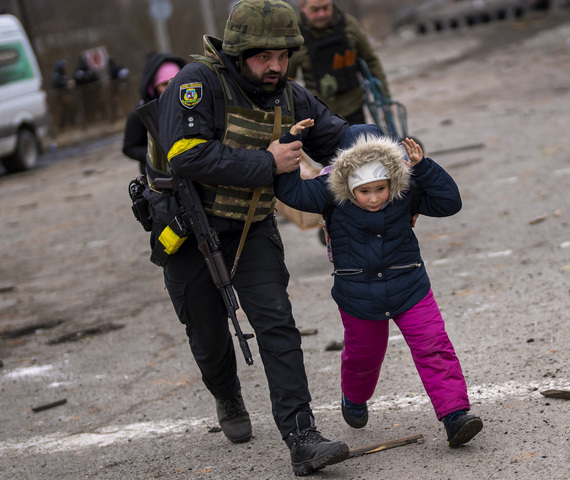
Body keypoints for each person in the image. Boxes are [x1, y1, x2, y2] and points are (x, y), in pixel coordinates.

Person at [152, 0, 350, 475]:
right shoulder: (195, 84)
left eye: (283, 56)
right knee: (208, 334)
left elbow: (338, 137)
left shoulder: (290, 95)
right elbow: (185, 156)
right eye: (264, 57)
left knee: (277, 323)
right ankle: (227, 395)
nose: (276, 66)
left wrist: (388, 154)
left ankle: (302, 436)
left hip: (251, 224)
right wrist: (268, 163)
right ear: (239, 53)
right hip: (188, 228)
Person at [274, 125, 484, 449]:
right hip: (358, 296)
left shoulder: (405, 188)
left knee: (434, 346)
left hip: (410, 286)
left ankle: (455, 416)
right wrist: (288, 145)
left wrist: (424, 168)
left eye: (380, 188)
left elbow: (449, 203)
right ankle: (354, 397)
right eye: (364, 191)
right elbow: (290, 192)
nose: (373, 198)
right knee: (363, 358)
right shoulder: (328, 192)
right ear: (346, 180)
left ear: (391, 178)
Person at [288, 0, 390, 125]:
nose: (321, 14)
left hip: (354, 107)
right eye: (315, 9)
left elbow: (371, 62)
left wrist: (386, 101)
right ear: (303, 6)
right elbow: (287, 79)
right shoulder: (295, 36)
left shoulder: (349, 25)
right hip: (319, 114)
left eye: (326, 8)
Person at [122, 53, 186, 174]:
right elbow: (129, 148)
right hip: (157, 176)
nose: (171, 87)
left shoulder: (192, 106)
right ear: (153, 87)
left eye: (175, 81)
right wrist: (156, 155)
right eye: (164, 84)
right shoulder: (140, 115)